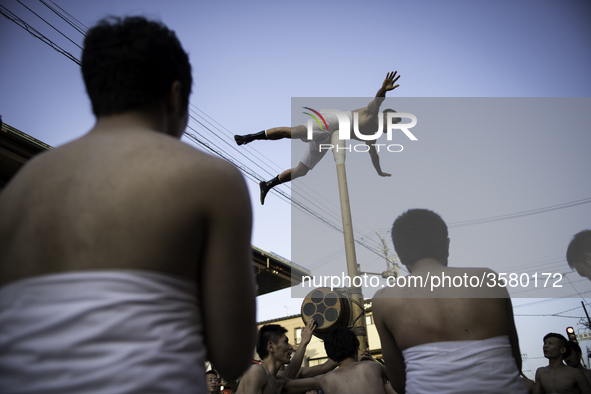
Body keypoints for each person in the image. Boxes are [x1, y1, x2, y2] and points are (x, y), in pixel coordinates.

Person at [0, 16, 256, 393]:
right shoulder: (213, 179)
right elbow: (233, 358)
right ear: (174, 96)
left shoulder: (17, 191)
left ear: (97, 92)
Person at [372, 208, 526, 394]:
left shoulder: (384, 300)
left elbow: (400, 383)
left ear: (399, 254)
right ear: (446, 245)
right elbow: (514, 361)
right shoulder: (488, 279)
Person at [234, 71, 401, 204]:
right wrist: (383, 89)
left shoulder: (372, 135)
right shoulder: (371, 113)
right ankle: (249, 137)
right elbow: (377, 101)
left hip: (331, 138)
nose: (393, 127)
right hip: (331, 121)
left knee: (302, 171)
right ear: (385, 116)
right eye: (393, 122)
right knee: (295, 132)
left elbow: (374, 154)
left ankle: (267, 185)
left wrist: (379, 172)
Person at [236, 324, 322, 394]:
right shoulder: (256, 371)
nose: (291, 347)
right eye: (286, 342)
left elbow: (318, 381)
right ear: (271, 347)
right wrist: (303, 343)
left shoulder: (279, 382)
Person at [317, 326, 395, 394]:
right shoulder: (374, 366)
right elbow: (400, 380)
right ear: (357, 349)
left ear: (331, 357)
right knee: (388, 388)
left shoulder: (326, 381)